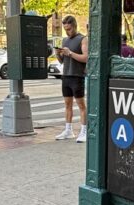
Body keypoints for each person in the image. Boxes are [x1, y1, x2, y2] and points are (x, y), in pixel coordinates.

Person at [54, 15, 88, 143]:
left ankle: (83, 131)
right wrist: (58, 54)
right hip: (66, 76)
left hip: (77, 76)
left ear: (74, 26)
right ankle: (68, 130)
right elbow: (63, 61)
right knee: (67, 104)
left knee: (81, 105)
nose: (67, 32)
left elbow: (86, 58)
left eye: (69, 29)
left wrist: (70, 53)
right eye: (65, 29)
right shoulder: (64, 40)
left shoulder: (83, 39)